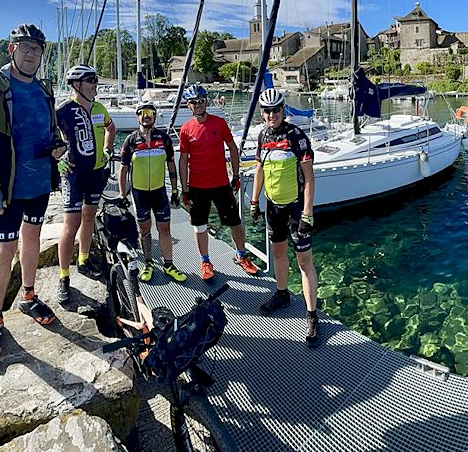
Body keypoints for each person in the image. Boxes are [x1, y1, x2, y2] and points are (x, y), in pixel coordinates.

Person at [0, 24, 66, 364]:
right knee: (5, 245)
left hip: (38, 180)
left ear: (42, 54)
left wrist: (57, 147)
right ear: (11, 50)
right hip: (7, 186)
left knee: (33, 237)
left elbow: (50, 129)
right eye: (24, 47)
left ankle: (28, 294)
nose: (30, 53)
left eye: (36, 49)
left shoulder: (43, 89)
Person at [250, 88, 320, 345]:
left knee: (304, 262)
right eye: (267, 111)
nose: (271, 115)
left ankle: (312, 315)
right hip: (273, 207)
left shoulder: (296, 136)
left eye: (276, 110)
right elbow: (259, 169)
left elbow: (310, 178)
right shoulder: (262, 136)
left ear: (283, 109)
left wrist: (307, 214)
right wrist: (254, 201)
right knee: (278, 253)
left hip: (295, 207)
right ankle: (282, 294)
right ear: (262, 113)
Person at [177, 83, 260, 282]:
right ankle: (205, 261)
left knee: (235, 222)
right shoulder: (186, 129)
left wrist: (236, 175)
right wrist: (184, 189)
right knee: (200, 226)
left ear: (206, 101)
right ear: (188, 105)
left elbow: (232, 148)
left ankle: (241, 256)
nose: (198, 105)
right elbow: (183, 160)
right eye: (194, 102)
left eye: (201, 101)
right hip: (197, 186)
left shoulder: (219, 123)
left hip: (221, 183)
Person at [54, 64, 116, 303]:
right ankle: (63, 276)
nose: (95, 84)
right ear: (76, 85)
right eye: (91, 80)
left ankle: (83, 259)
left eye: (95, 79)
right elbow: (46, 135)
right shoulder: (64, 110)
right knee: (71, 224)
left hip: (96, 173)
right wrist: (57, 160)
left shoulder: (100, 108)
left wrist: (108, 150)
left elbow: (111, 129)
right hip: (73, 175)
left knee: (89, 216)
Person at [119, 101, 186, 283]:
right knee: (144, 229)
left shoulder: (164, 139)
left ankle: (169, 265)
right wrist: (122, 194)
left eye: (150, 112)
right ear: (137, 116)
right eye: (142, 112)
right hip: (140, 194)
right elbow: (123, 169)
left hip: (159, 192)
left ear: (155, 116)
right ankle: (148, 263)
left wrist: (174, 190)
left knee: (164, 229)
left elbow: (171, 164)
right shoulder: (131, 140)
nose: (146, 115)